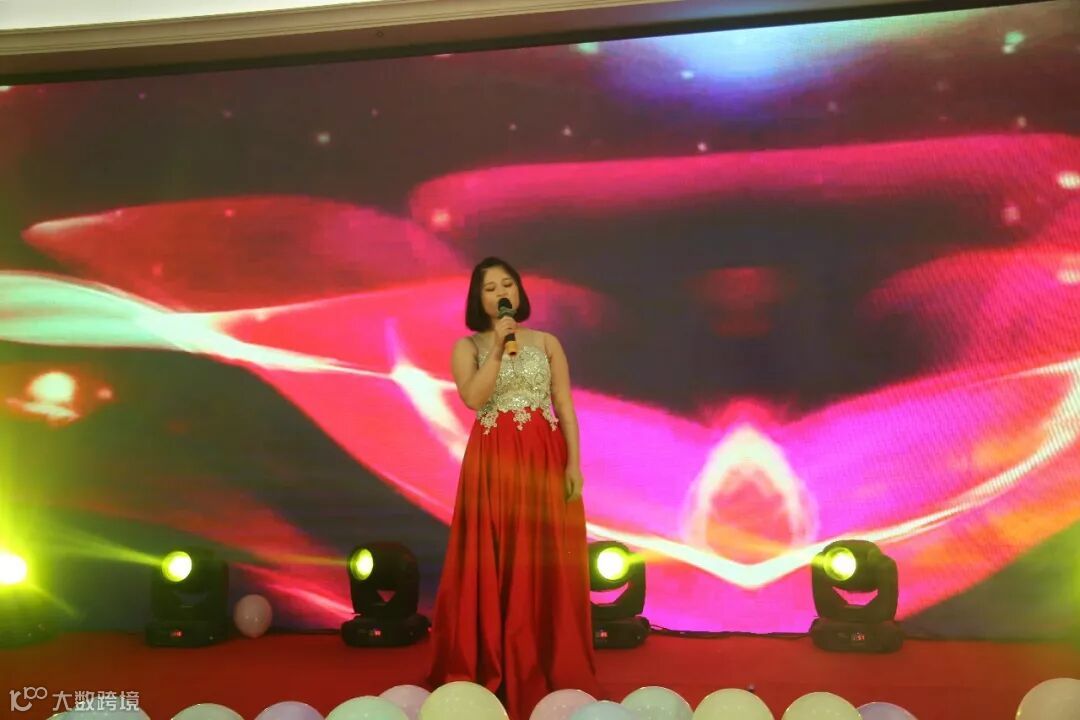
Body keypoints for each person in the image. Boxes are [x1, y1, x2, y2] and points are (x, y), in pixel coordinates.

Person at [425, 257, 603, 719]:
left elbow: (564, 405)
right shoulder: (467, 347)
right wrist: (499, 349)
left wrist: (574, 463)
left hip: (544, 458)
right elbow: (473, 398)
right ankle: (495, 663)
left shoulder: (547, 343)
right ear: (478, 299)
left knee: (542, 556)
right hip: (494, 462)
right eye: (490, 288)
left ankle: (546, 659)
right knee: (497, 555)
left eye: (507, 284)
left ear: (519, 292)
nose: (501, 292)